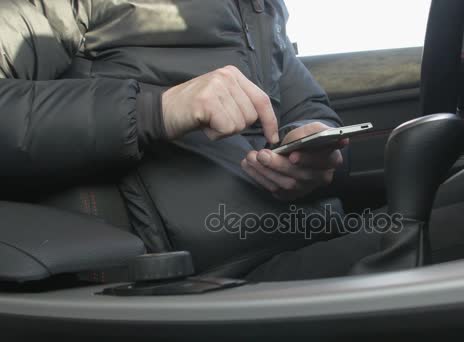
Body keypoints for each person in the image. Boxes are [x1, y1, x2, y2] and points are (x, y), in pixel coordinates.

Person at [0, 0, 355, 278]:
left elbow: (310, 109)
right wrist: (156, 111)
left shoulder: (261, 8)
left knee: (407, 231)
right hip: (197, 278)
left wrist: (314, 152)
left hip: (307, 234)